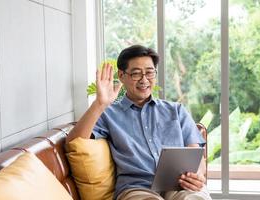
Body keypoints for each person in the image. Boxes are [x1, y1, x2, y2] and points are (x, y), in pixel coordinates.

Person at [66, 45, 212, 200]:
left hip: (179, 185)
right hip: (137, 189)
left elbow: (196, 154)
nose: (144, 80)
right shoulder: (109, 114)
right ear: (121, 76)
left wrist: (197, 175)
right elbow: (74, 141)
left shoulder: (176, 110)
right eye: (136, 74)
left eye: (149, 73)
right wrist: (99, 104)